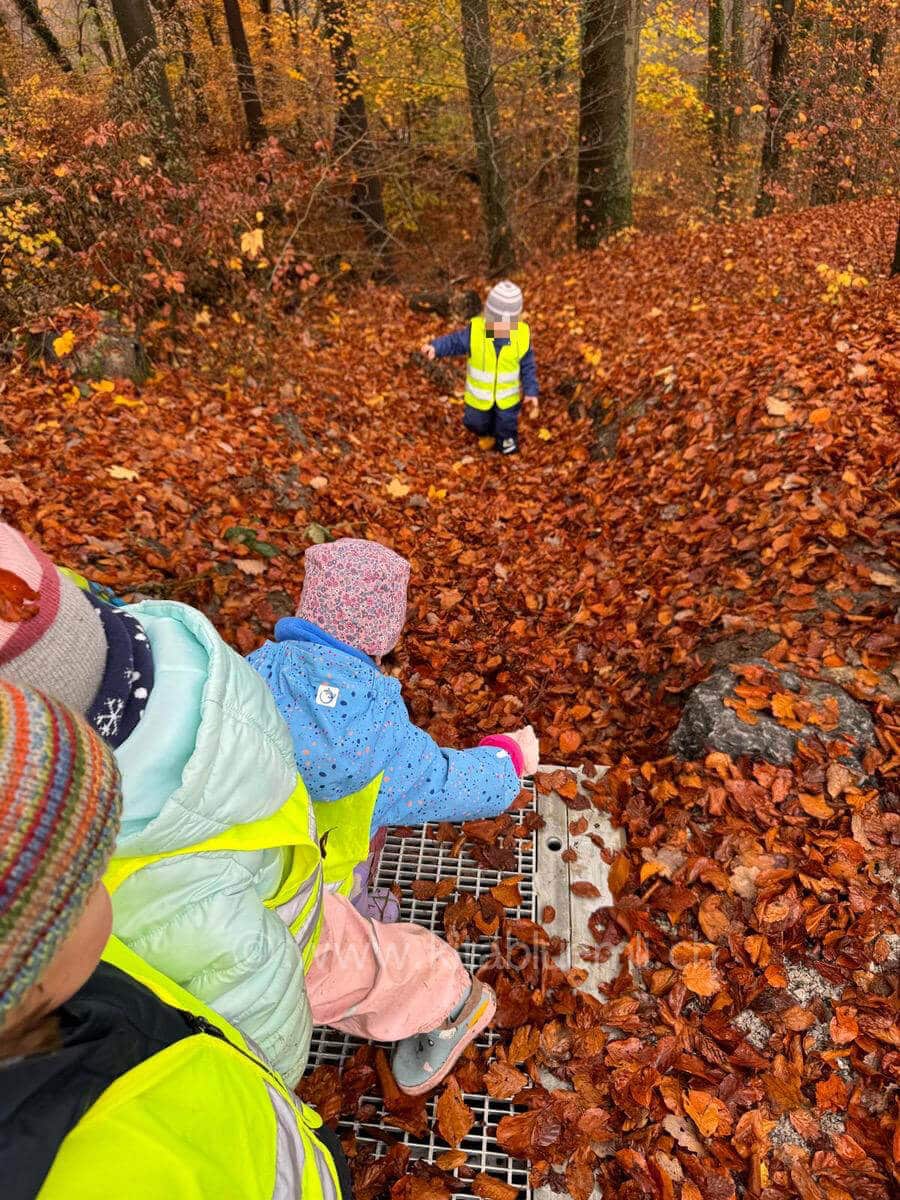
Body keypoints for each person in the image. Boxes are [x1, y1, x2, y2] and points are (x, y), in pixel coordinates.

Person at [0, 522, 497, 1095]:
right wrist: (505, 764)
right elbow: (438, 781)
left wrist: (265, 1093)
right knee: (353, 943)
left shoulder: (266, 665)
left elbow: (258, 1009)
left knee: (355, 964)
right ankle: (395, 940)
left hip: (274, 912)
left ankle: (451, 1000)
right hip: (286, 867)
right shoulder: (201, 669)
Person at [0, 681, 348, 1200]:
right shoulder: (101, 1169)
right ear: (38, 948)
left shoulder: (67, 975)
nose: (112, 871)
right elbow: (259, 994)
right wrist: (280, 1074)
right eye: (91, 873)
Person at [247, 538, 540, 917]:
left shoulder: (250, 671)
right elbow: (440, 781)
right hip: (321, 890)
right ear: (384, 635)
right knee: (341, 883)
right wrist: (508, 759)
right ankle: (357, 913)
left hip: (244, 869)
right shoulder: (376, 724)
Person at [421, 279, 539, 455]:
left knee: (506, 424)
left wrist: (531, 391)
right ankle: (487, 431)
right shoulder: (476, 332)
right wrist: (436, 347)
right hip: (479, 397)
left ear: (512, 322)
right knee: (474, 422)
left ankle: (507, 444)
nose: (496, 326)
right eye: (492, 320)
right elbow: (455, 342)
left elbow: (528, 366)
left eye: (503, 324)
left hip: (507, 397)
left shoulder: (520, 338)